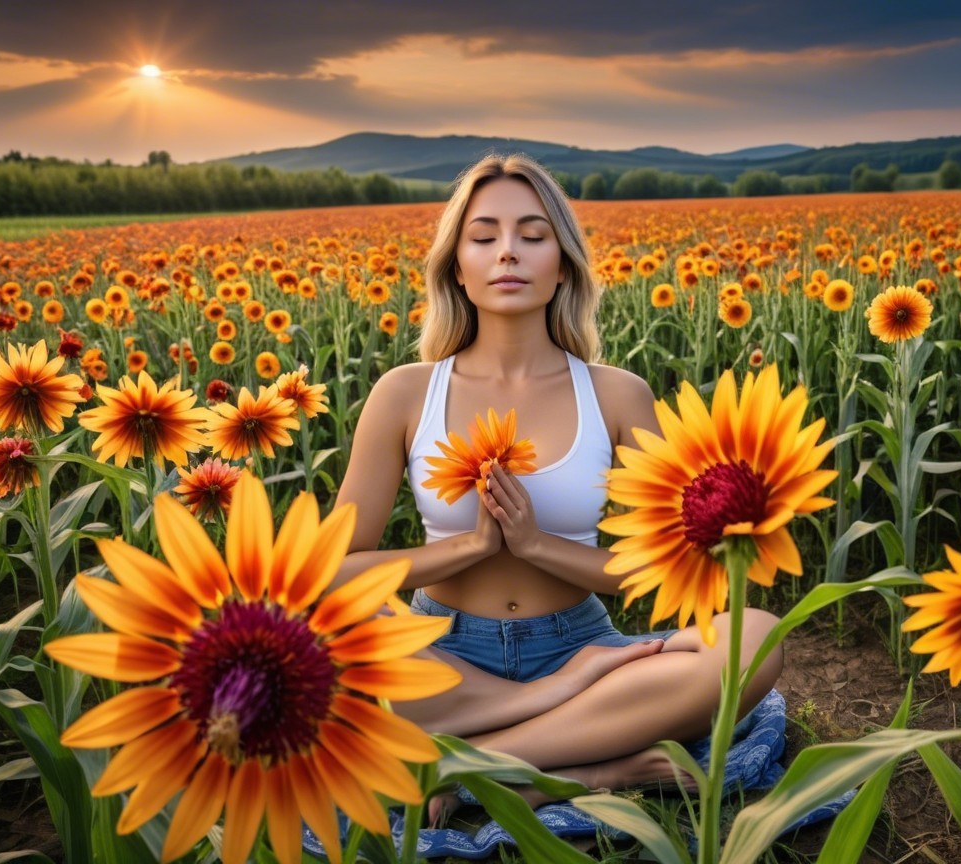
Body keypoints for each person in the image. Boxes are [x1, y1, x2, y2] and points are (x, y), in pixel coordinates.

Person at [331, 153, 783, 813]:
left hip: (579, 643)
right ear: (456, 265)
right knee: (305, 623)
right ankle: (594, 757)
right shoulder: (404, 394)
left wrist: (537, 544)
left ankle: (478, 764)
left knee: (759, 635)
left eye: (533, 235)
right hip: (442, 659)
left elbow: (668, 572)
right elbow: (335, 572)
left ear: (563, 263)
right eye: (483, 236)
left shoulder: (617, 395)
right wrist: (471, 548)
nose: (507, 252)